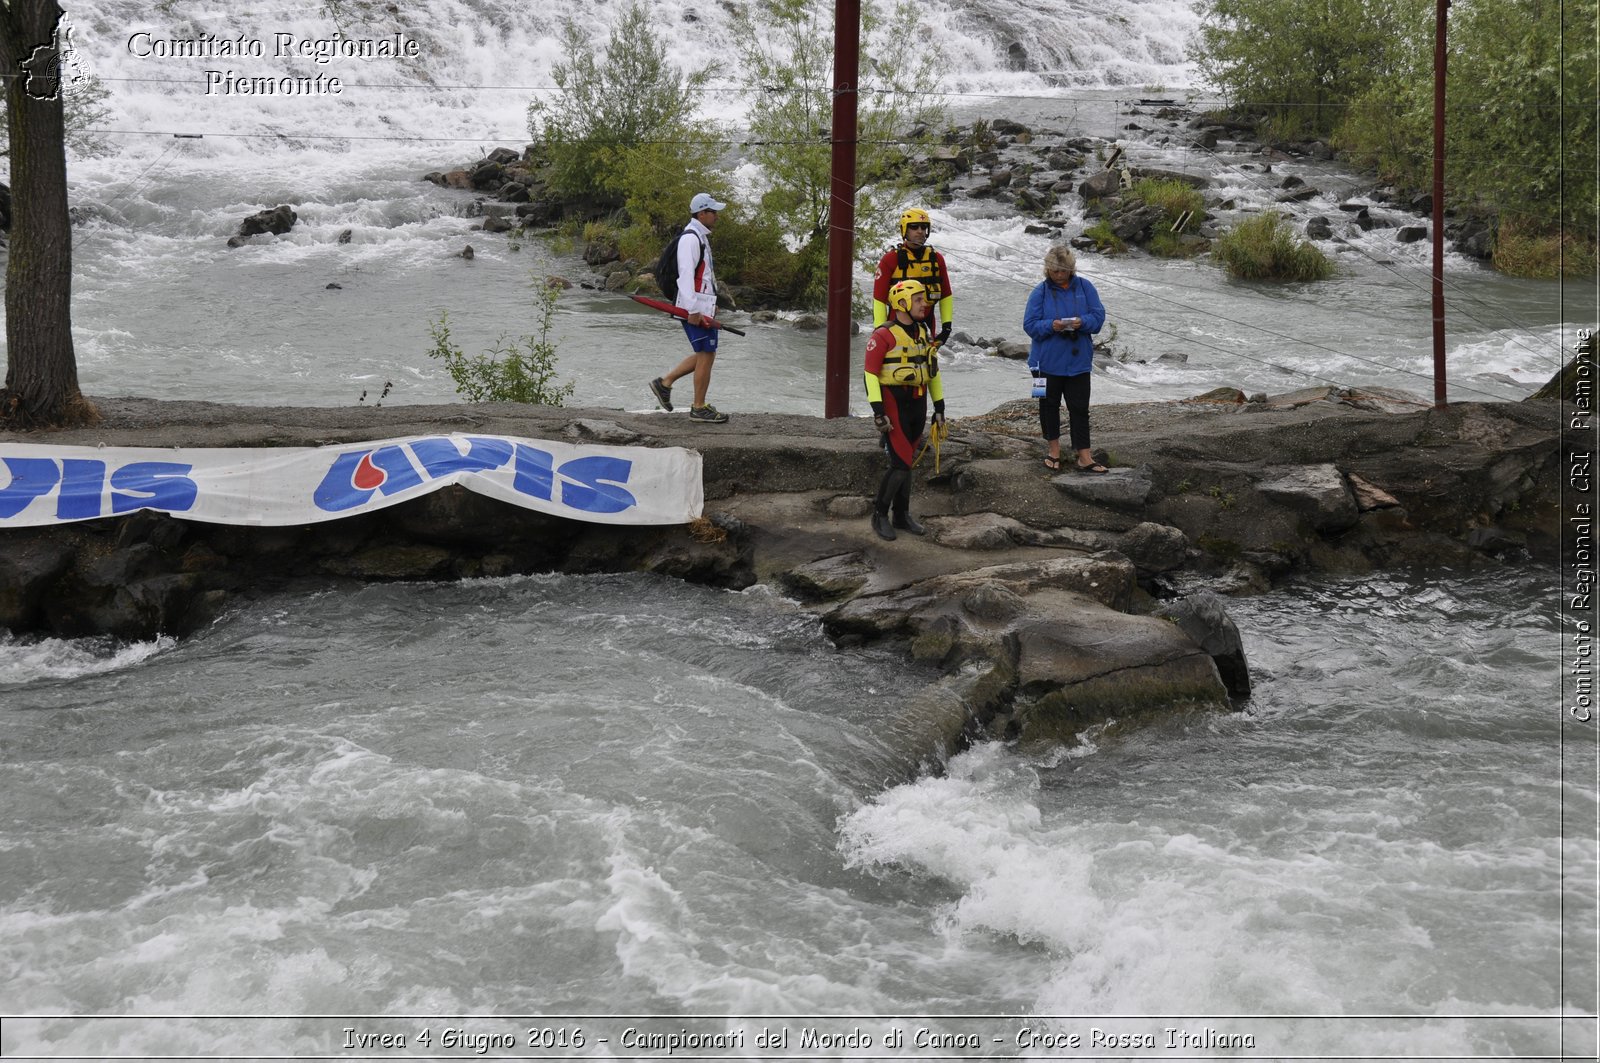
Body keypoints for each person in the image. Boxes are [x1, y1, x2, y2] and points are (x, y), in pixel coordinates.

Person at [863, 279, 946, 541]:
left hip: (918, 404)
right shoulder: (883, 335)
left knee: (907, 462)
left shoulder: (922, 332)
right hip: (893, 404)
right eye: (919, 299)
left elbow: (932, 371)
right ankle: (879, 514)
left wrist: (939, 406)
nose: (925, 304)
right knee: (900, 463)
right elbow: (869, 374)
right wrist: (878, 410)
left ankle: (901, 515)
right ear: (902, 303)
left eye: (924, 299)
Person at [1023, 245, 1107, 472]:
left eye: (1063, 271)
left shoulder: (1085, 287)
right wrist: (1052, 325)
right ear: (1047, 270)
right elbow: (1029, 326)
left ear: (1071, 269)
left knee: (1080, 408)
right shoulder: (1039, 292)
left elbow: (1098, 318)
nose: (1059, 275)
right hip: (1042, 364)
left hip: (1078, 363)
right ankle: (1053, 451)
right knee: (1047, 406)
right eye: (1054, 271)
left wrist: (1082, 322)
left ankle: (1085, 456)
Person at [648, 192, 729, 424]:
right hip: (692, 308)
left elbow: (704, 277)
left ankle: (664, 383)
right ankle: (698, 407)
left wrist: (712, 305)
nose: (717, 216)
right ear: (701, 213)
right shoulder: (691, 239)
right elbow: (685, 277)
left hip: (702, 307)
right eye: (713, 212)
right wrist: (693, 310)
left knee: (707, 354)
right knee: (706, 354)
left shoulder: (700, 237)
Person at [872, 208, 953, 349]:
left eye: (923, 227)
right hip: (895, 326)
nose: (920, 231)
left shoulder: (937, 259)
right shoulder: (890, 259)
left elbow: (946, 295)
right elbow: (878, 299)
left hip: (927, 325)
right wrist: (880, 331)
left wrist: (946, 328)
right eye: (914, 227)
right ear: (905, 230)